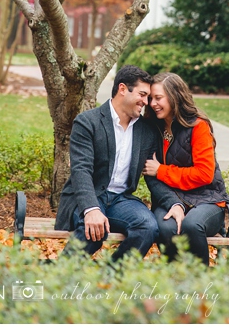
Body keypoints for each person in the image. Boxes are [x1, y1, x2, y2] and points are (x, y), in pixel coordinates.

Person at [55, 65, 172, 261]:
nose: (146, 102)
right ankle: (59, 279)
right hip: (90, 194)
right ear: (123, 89)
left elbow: (152, 175)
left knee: (148, 227)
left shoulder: (146, 130)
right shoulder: (87, 122)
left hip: (121, 200)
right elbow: (81, 169)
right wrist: (91, 209)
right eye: (143, 95)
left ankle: (111, 280)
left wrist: (174, 203)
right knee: (92, 230)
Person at [142, 72, 229, 265]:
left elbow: (205, 174)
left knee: (192, 224)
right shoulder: (151, 128)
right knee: (166, 229)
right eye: (150, 99)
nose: (153, 104)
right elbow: (149, 173)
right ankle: (175, 281)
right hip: (168, 199)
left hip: (207, 200)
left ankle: (199, 283)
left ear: (175, 97)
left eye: (158, 98)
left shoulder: (198, 126)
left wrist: (161, 170)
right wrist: (174, 203)